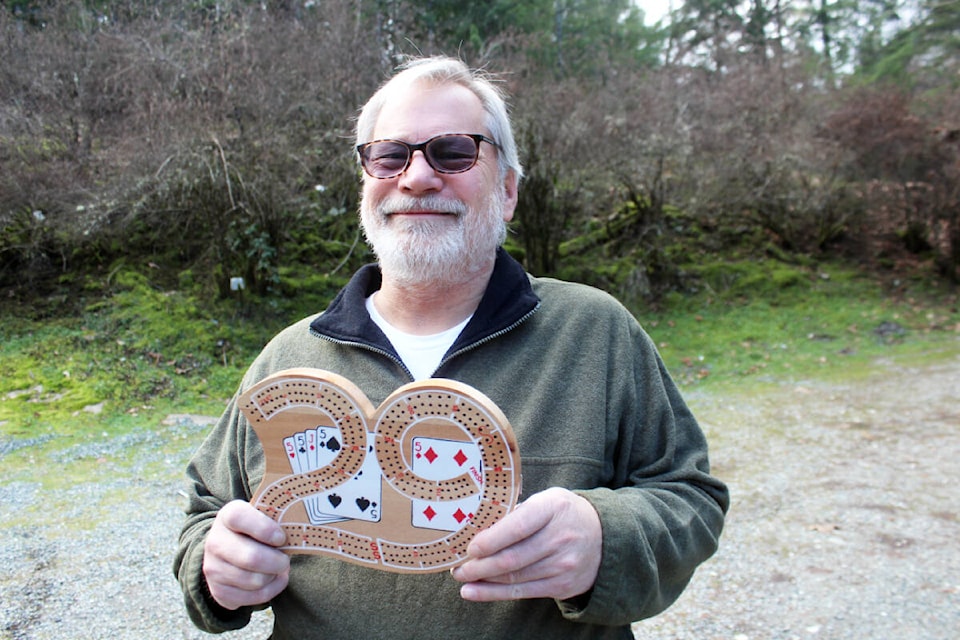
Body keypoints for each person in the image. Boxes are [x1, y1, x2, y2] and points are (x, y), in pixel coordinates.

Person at [174, 56, 729, 640]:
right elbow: (205, 513)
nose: (415, 177)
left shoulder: (596, 333)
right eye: (390, 155)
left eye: (453, 152)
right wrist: (214, 569)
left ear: (508, 189)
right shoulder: (287, 358)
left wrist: (606, 536)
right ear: (367, 181)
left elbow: (689, 498)